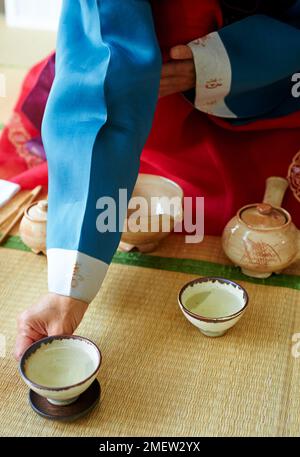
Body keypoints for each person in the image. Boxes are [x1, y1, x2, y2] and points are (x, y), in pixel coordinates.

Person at [14, 0, 300, 359]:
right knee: (124, 203)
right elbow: (106, 45)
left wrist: (220, 63)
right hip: (140, 99)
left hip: (274, 90)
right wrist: (66, 294)